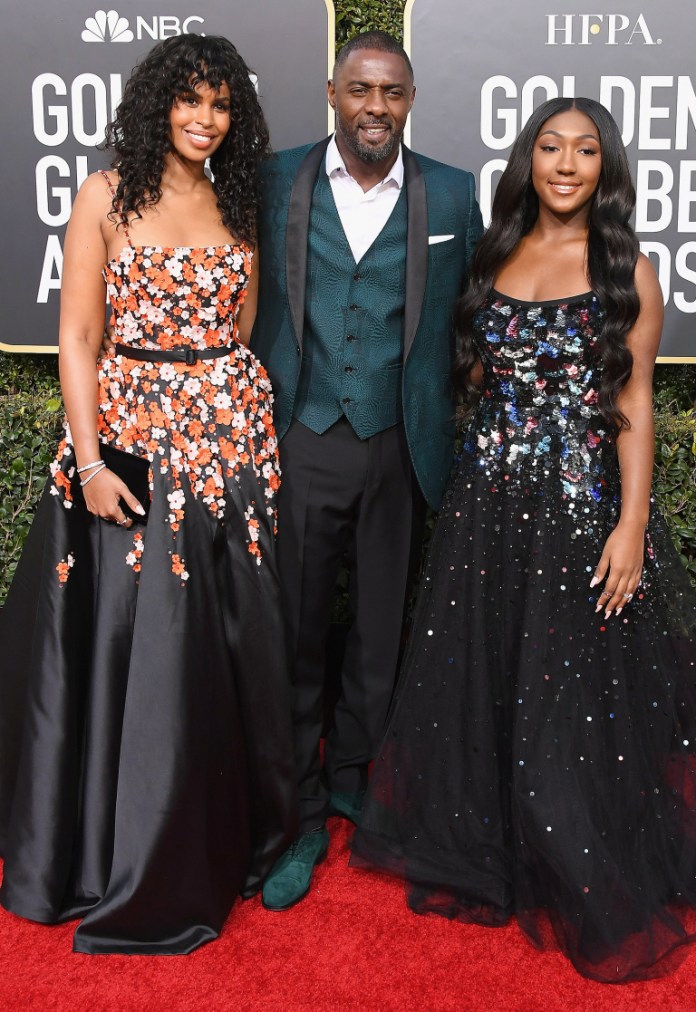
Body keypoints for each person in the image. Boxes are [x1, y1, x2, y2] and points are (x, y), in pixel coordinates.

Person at [351, 97, 696, 982]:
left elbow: (634, 405)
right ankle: (494, 842)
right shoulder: (492, 254)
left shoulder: (630, 271)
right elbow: (467, 372)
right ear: (528, 161)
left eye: (585, 150)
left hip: (580, 514)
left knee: (571, 702)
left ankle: (570, 849)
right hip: (488, 511)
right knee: (490, 679)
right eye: (551, 147)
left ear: (606, 167)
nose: (568, 164)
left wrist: (628, 524)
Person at [0, 34, 297, 954]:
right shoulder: (104, 194)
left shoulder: (236, 196)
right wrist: (91, 463)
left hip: (230, 446)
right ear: (157, 105)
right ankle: (108, 848)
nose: (205, 121)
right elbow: (79, 337)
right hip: (127, 441)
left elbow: (240, 325)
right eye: (189, 102)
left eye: (220, 106)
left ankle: (212, 830)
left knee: (220, 639)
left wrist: (220, 408)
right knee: (134, 636)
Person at [251, 30, 483, 911]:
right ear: (333, 93)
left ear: (411, 100)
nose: (375, 106)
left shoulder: (455, 192)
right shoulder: (276, 179)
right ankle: (297, 811)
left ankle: (358, 786)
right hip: (301, 435)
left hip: (401, 441)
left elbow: (471, 314)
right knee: (296, 635)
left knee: (380, 639)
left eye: (391, 92)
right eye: (360, 89)